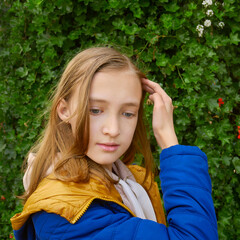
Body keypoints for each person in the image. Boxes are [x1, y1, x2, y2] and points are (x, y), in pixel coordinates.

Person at [11, 47, 218, 239]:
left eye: (128, 113)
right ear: (64, 111)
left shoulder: (131, 180)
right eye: (95, 110)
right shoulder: (65, 211)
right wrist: (168, 140)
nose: (113, 129)